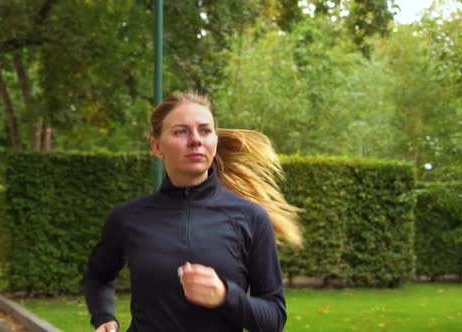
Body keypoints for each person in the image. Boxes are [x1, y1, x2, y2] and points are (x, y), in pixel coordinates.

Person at [85, 91, 302, 332]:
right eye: (181, 131)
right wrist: (104, 316)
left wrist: (225, 296)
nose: (196, 140)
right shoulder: (128, 218)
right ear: (157, 147)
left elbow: (274, 320)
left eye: (205, 130)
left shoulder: (251, 218)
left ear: (215, 141)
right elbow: (98, 277)